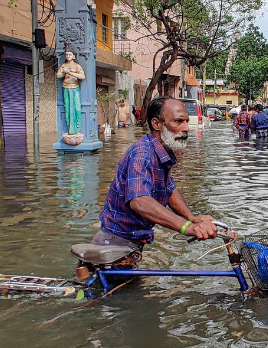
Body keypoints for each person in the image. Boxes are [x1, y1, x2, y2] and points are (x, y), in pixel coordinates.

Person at [93, 97, 218, 254]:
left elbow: (169, 189)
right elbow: (139, 201)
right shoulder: (142, 153)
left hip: (131, 241)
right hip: (116, 242)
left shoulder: (162, 152)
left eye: (186, 121)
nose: (186, 128)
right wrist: (187, 227)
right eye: (178, 122)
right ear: (156, 124)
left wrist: (191, 218)